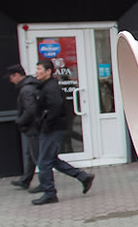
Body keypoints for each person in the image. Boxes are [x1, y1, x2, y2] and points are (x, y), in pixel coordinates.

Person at [31, 59, 95, 205]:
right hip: (50, 128)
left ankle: (49, 193)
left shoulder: (51, 88)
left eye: (39, 69)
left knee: (44, 162)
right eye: (36, 69)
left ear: (48, 71)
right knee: (52, 160)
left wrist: (45, 124)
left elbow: (55, 108)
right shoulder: (45, 86)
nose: (37, 72)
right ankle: (83, 177)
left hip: (52, 129)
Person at [4, 64, 40, 189]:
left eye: (11, 77)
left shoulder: (26, 89)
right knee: (30, 154)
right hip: (32, 126)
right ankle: (25, 180)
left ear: (17, 75)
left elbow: (30, 110)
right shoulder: (27, 87)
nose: (10, 81)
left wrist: (20, 120)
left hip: (33, 127)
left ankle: (46, 183)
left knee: (37, 156)